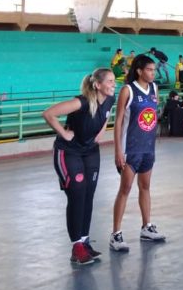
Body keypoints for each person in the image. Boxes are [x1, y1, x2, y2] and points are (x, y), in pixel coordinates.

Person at [44, 67, 116, 266]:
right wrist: (64, 133)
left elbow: (107, 114)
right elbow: (49, 114)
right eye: (110, 81)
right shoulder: (81, 102)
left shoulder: (110, 99)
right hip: (69, 152)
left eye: (114, 81)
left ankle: (84, 241)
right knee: (77, 195)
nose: (114, 84)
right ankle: (76, 247)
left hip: (90, 150)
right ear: (97, 85)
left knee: (88, 195)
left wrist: (101, 132)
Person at [110, 54, 165, 253]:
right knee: (125, 189)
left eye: (154, 70)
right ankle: (116, 234)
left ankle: (146, 227)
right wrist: (118, 150)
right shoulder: (128, 90)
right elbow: (118, 122)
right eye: (149, 70)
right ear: (140, 71)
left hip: (148, 147)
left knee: (145, 186)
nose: (153, 73)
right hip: (130, 148)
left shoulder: (154, 88)